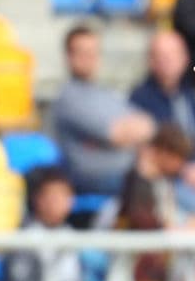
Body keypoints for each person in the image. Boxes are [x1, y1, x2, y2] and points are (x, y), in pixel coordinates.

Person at [51, 25, 155, 196]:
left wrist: (127, 134)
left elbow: (148, 125)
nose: (89, 58)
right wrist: (127, 134)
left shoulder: (106, 94)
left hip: (130, 174)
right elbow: (115, 134)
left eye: (93, 52)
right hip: (94, 181)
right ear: (68, 57)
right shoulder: (69, 99)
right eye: (82, 53)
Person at [130, 30, 195, 195]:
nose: (167, 61)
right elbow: (149, 152)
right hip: (169, 182)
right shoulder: (140, 100)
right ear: (151, 61)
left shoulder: (193, 97)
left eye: (172, 54)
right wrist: (185, 171)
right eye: (161, 55)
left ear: (185, 58)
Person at [4, 167, 92, 281]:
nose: (57, 202)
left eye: (64, 195)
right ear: (37, 199)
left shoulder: (72, 235)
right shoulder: (25, 236)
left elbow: (79, 277)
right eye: (52, 196)